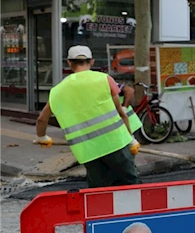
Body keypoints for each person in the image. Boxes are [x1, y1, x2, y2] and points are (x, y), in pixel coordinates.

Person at [35, 45, 140, 188]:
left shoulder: (57, 91)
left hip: (88, 152)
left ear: (69, 63)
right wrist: (131, 140)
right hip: (116, 144)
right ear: (92, 62)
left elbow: (42, 119)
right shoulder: (104, 79)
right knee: (130, 186)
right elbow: (121, 113)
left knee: (98, 193)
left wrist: (42, 138)